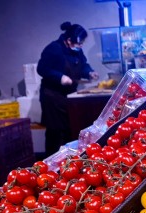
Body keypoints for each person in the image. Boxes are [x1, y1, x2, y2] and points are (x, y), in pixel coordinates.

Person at [37, 22, 99, 156]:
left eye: (82, 43)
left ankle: (68, 159)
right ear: (69, 40)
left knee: (69, 130)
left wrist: (89, 72)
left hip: (68, 97)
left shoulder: (77, 50)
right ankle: (51, 161)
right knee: (55, 131)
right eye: (79, 43)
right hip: (52, 97)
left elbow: (83, 65)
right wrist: (60, 77)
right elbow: (42, 69)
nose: (80, 46)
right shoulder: (53, 49)